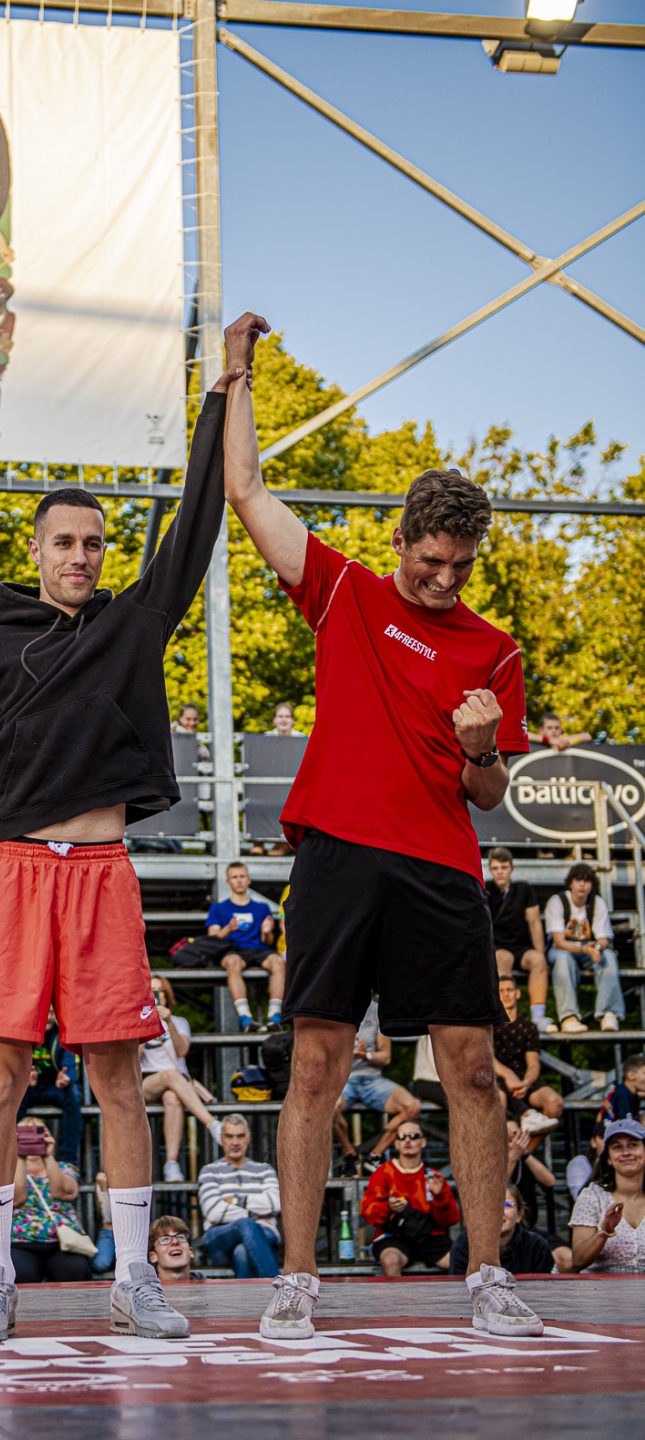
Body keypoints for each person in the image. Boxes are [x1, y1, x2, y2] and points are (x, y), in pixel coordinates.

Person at [0, 333, 250, 1342]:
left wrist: (222, 397)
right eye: (64, 542)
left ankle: (134, 1277)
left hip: (102, 875)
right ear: (35, 552)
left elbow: (198, 522)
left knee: (120, 1080)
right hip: (10, 873)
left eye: (94, 543)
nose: (81, 556)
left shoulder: (134, 624)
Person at [222, 310, 543, 1338]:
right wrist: (236, 375)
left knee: (471, 1071)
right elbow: (247, 491)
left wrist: (482, 748)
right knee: (315, 1066)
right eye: (432, 559)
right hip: (339, 855)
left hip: (441, 866)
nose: (445, 579)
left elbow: (488, 795)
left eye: (462, 565)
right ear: (399, 540)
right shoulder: (346, 593)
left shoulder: (495, 650)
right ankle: (297, 1281)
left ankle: (487, 1277)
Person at [140, 975, 222, 1183]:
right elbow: (133, 1057)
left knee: (172, 1098)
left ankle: (171, 1164)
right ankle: (212, 1124)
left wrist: (168, 1022)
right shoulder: (137, 1020)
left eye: (159, 991)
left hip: (175, 1084)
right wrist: (146, 1023)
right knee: (169, 1075)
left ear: (167, 996)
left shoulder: (179, 1022)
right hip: (146, 1081)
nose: (156, 995)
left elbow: (182, 1051)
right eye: (152, 990)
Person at [333, 1000, 422, 1179]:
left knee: (412, 1106)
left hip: (373, 1079)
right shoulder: (334, 1008)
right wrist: (348, 1055)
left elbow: (386, 1057)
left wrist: (364, 1055)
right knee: (328, 1108)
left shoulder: (376, 1010)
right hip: (343, 1079)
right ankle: (351, 1155)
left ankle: (376, 1155)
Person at [360, 1126, 461, 1275]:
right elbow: (368, 1214)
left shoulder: (433, 1176)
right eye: (402, 1137)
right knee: (390, 1260)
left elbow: (451, 1220)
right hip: (394, 1237)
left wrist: (439, 1197)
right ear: (396, 1144)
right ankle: (397, 1293)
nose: (407, 1140)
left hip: (430, 1238)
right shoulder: (383, 1173)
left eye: (413, 1136)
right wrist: (388, 1207)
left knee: (460, 1259)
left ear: (423, 1142)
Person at [10, 1117, 93, 1285]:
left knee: (76, 1271)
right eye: (25, 1135)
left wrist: (48, 1156)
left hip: (63, 1244)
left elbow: (65, 1193)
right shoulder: (8, 1170)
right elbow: (16, 1199)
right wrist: (19, 1158)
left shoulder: (64, 1168)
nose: (31, 1139)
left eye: (37, 1133)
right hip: (20, 1244)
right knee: (20, 1274)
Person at [203, 861, 285, 1031]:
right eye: (235, 877)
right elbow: (212, 937)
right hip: (232, 950)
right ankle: (245, 1018)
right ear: (228, 882)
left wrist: (267, 932)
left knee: (278, 962)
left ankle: (274, 1017)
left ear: (249, 880)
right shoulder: (218, 907)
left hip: (258, 950)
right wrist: (228, 929)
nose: (239, 880)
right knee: (232, 963)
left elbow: (268, 942)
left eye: (242, 876)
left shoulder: (262, 908)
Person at [196, 1114, 281, 1278]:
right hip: (220, 1237)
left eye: (240, 1136)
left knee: (242, 1252)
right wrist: (254, 1214)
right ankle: (275, 1284)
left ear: (248, 1138)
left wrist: (237, 1201)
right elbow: (213, 1212)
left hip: (265, 1234)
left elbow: (276, 1203)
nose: (235, 1142)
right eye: (229, 1136)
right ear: (221, 1138)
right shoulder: (210, 1171)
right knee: (245, 1224)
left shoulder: (264, 1170)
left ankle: (257, 1294)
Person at [546, 862, 625, 1033]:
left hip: (588, 951)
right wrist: (584, 949)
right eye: (578, 880)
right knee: (562, 959)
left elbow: (604, 939)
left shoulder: (597, 903)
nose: (582, 885)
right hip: (563, 951)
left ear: (592, 885)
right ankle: (568, 1017)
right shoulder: (558, 901)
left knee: (609, 956)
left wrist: (596, 948)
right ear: (570, 883)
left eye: (586, 881)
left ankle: (608, 1013)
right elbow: (559, 942)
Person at [485, 847, 552, 1032]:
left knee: (538, 960)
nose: (500, 872)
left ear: (512, 868)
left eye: (504, 867)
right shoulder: (485, 890)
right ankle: (504, 1018)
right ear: (490, 870)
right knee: (502, 959)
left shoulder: (524, 889)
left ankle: (538, 1016)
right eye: (495, 868)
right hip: (499, 947)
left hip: (522, 947)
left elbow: (534, 923)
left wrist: (541, 952)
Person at [569, 1117, 645, 1273]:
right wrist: (604, 1232)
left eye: (633, 1145)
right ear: (609, 1158)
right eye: (617, 1147)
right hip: (603, 1286)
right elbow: (578, 1260)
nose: (626, 1153)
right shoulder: (592, 1196)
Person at [17, 1006, 84, 1167]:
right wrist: (24, 1077)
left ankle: (69, 1161)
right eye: (44, 1012)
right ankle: (16, 1158)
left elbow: (70, 1064)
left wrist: (66, 1078)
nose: (48, 1017)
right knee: (13, 1097)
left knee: (73, 1095)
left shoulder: (62, 1035)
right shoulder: (24, 1034)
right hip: (30, 1088)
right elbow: (14, 1064)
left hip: (55, 1088)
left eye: (52, 1013)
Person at [493, 977, 563, 1133]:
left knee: (555, 1103)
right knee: (499, 1100)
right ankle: (524, 1120)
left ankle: (527, 1148)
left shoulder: (528, 1026)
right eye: (501, 991)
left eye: (510, 990)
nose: (506, 994)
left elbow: (533, 1063)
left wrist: (526, 1082)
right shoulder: (489, 1025)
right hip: (497, 1079)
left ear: (517, 993)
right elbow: (485, 1058)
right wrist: (508, 1075)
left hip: (523, 1079)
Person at [505, 1119, 572, 1271]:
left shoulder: (526, 1158)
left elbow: (549, 1181)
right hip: (500, 1232)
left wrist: (525, 1153)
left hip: (528, 1228)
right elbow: (498, 1188)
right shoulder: (488, 1159)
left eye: (515, 1133)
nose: (512, 1138)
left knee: (567, 1259)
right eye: (506, 1134)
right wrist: (512, 1157)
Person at [449, 1185, 553, 1276]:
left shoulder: (537, 1245)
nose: (498, 1212)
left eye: (506, 1205)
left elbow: (546, 1286)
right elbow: (457, 1286)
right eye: (490, 1205)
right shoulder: (464, 1243)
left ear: (519, 1215)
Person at [149, 1216, 206, 1284]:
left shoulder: (211, 1288)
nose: (175, 1241)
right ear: (153, 1256)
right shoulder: (143, 1289)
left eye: (180, 1237)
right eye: (165, 1239)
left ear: (191, 1251)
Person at [596, 1053, 645, 1127]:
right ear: (631, 1075)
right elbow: (625, 1127)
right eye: (644, 1073)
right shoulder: (624, 1095)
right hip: (610, 1133)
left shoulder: (624, 1090)